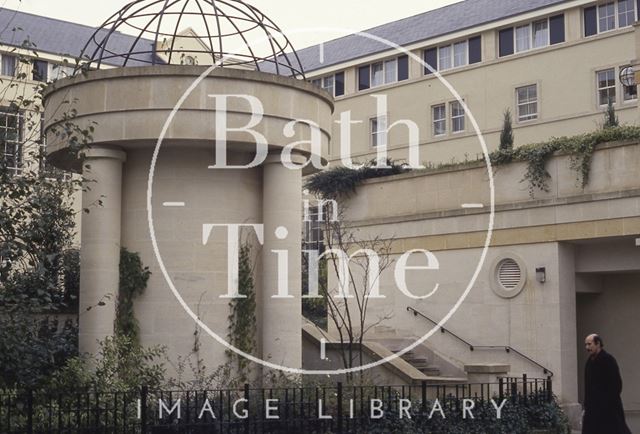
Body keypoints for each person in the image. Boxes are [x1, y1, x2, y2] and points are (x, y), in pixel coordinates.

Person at [582, 334, 631, 434]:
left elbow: (617, 385)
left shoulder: (608, 360)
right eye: (585, 345)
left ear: (598, 343)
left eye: (589, 344)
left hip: (609, 409)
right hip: (592, 409)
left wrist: (606, 403)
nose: (587, 347)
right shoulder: (589, 362)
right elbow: (588, 386)